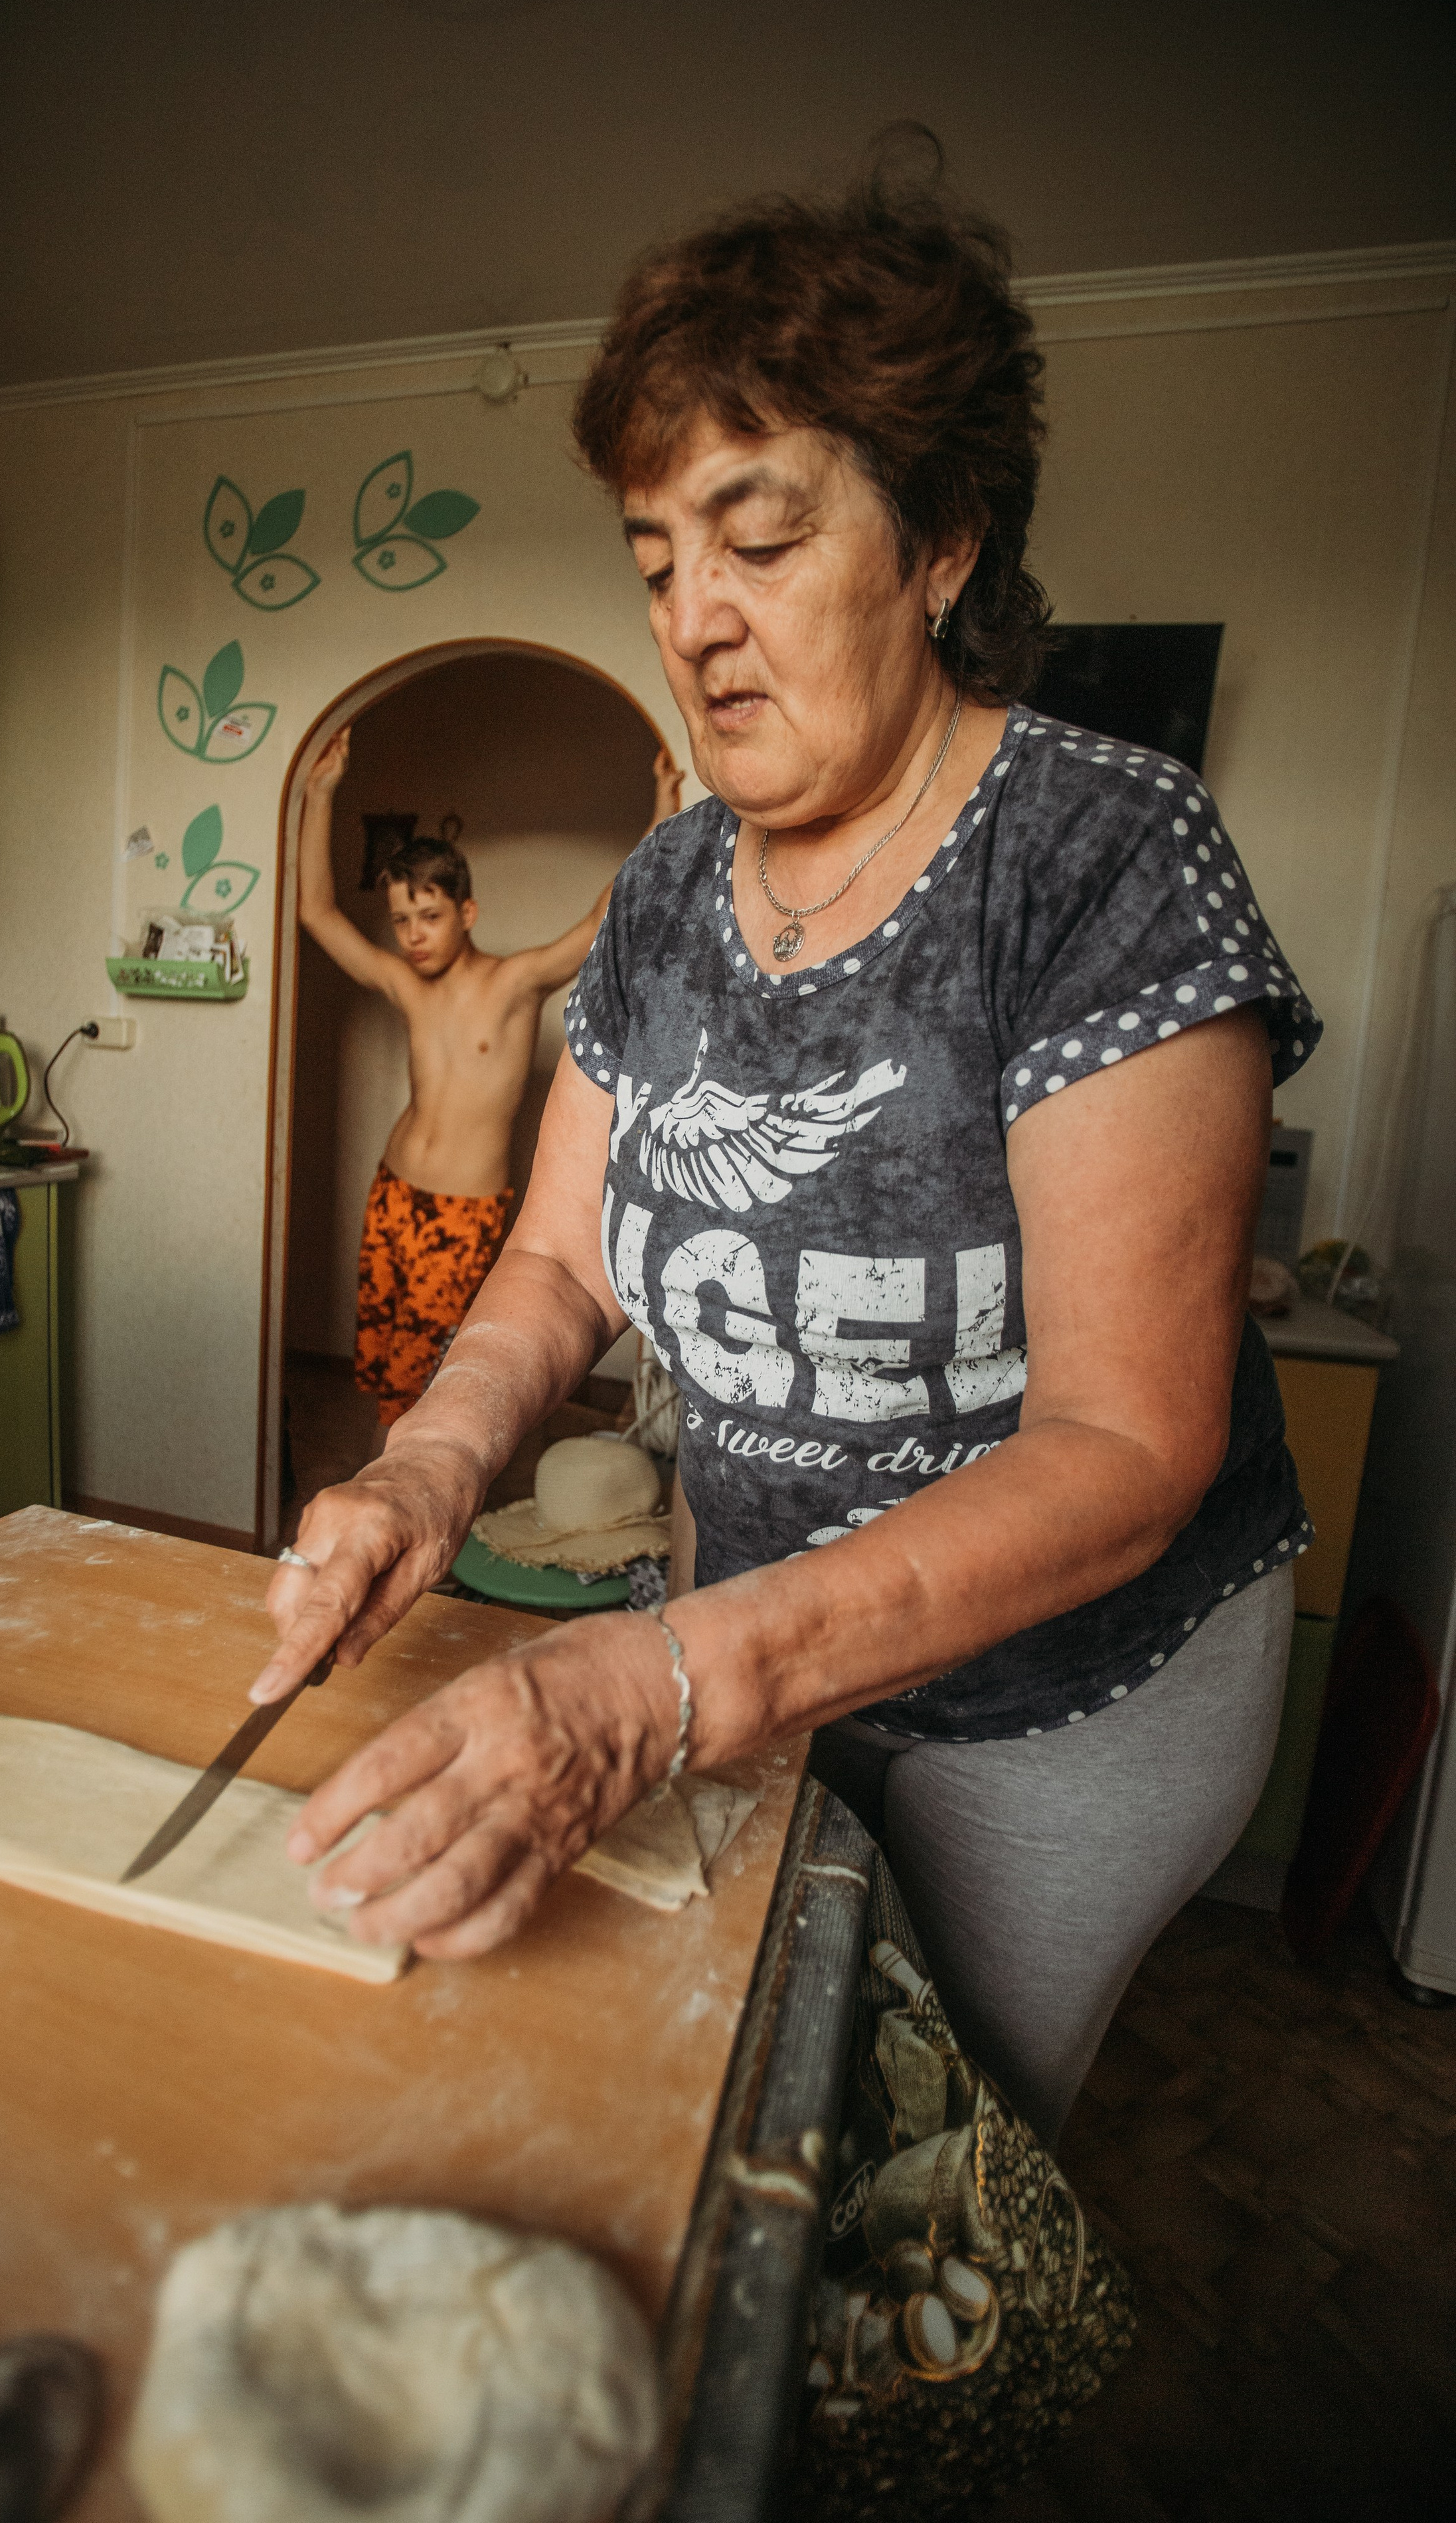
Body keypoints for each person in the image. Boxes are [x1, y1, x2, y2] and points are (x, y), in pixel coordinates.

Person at [258, 163, 1321, 2148]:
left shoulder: (1098, 854)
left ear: (937, 538)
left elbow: (1121, 1445)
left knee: (915, 2149)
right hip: (742, 1632)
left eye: (759, 537)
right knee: (723, 2086)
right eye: (657, 559)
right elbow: (559, 1262)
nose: (697, 622)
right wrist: (419, 1461)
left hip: (1063, 1698)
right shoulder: (662, 895)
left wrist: (649, 1690)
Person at [296, 727, 683, 1432]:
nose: (413, 934)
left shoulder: (513, 984)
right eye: (402, 919)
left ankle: (414, 1501)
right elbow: (315, 913)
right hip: (393, 1194)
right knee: (385, 1370)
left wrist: (661, 802)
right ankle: (387, 1492)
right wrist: (320, 791)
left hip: (460, 1215)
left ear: (466, 913)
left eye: (431, 916)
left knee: (437, 1385)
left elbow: (606, 911)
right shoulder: (405, 987)